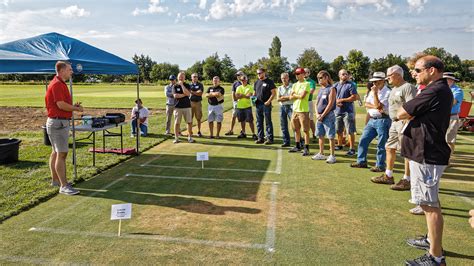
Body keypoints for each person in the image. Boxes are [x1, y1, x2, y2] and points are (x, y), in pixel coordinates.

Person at [398, 56, 452, 266]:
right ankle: (431, 242)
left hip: (428, 153)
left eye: (418, 70)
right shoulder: (436, 89)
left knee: (430, 206)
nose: (414, 73)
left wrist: (409, 114)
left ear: (431, 70)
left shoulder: (435, 89)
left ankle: (436, 258)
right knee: (428, 203)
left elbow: (403, 112)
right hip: (424, 152)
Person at [371, 65, 416, 192]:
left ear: (397, 75)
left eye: (389, 76)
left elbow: (411, 107)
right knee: (389, 147)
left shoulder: (408, 87)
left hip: (404, 122)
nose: (387, 78)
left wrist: (405, 121)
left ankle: (407, 179)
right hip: (394, 122)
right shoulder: (394, 89)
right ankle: (388, 175)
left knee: (406, 152)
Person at [45, 61, 83, 195]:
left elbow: (62, 104)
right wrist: (76, 109)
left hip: (57, 122)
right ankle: (63, 186)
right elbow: (61, 105)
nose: (72, 71)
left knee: (56, 152)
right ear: (61, 71)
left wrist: (73, 106)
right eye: (69, 69)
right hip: (58, 123)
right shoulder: (57, 84)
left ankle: (56, 180)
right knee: (62, 154)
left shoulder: (59, 83)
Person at [350, 72, 391, 172]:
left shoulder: (388, 92)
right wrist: (375, 105)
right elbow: (367, 104)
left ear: (383, 81)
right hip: (372, 119)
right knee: (363, 140)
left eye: (376, 82)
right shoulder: (373, 91)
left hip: (383, 120)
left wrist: (376, 95)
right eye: (373, 82)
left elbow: (379, 106)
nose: (374, 84)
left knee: (381, 144)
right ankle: (361, 161)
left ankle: (380, 165)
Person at [312, 70, 337, 164]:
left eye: (321, 78)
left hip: (328, 115)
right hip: (319, 116)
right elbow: (316, 103)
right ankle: (321, 153)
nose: (319, 79)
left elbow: (330, 104)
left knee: (330, 136)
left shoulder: (331, 89)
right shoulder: (320, 89)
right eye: (318, 78)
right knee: (320, 135)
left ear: (326, 78)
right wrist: (317, 114)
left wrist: (323, 115)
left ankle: (332, 155)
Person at [334, 69, 358, 156]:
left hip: (348, 112)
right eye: (343, 74)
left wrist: (342, 100)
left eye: (346, 74)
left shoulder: (351, 85)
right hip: (337, 111)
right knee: (338, 130)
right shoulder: (335, 85)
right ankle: (340, 145)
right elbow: (332, 96)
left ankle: (352, 148)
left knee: (350, 131)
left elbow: (354, 97)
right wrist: (336, 102)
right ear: (339, 75)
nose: (345, 75)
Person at [288, 67, 311, 156]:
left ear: (303, 74)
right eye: (296, 74)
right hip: (295, 109)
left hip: (303, 110)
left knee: (305, 130)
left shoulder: (307, 84)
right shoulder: (294, 85)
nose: (297, 76)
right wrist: (296, 95)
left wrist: (295, 95)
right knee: (296, 129)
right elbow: (290, 97)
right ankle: (297, 146)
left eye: (298, 74)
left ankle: (306, 148)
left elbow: (302, 96)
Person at [443, 72, 464, 164]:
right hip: (441, 117)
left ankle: (447, 159)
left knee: (449, 140)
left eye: (446, 79)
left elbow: (453, 102)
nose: (444, 81)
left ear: (451, 80)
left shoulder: (457, 90)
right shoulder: (441, 89)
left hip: (451, 117)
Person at [254, 68, 276, 144]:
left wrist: (269, 101)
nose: (258, 74)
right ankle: (260, 138)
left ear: (264, 73)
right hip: (258, 105)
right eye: (257, 73)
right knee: (259, 122)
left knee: (268, 122)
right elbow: (254, 93)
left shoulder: (270, 82)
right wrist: (253, 99)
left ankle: (270, 138)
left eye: (260, 73)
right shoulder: (256, 82)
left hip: (266, 105)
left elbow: (273, 93)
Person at [173, 71, 194, 144]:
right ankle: (176, 138)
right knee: (177, 123)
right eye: (179, 77)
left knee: (189, 122)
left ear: (184, 78)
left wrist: (182, 85)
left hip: (187, 106)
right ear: (177, 77)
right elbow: (175, 96)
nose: (181, 78)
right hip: (177, 107)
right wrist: (184, 94)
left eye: (182, 77)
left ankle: (190, 137)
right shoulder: (175, 86)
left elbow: (188, 94)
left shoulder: (187, 85)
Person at [235, 75, 257, 140]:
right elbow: (237, 96)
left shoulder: (250, 87)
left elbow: (249, 96)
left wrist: (241, 95)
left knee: (250, 121)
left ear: (247, 80)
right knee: (242, 121)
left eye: (244, 80)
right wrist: (244, 95)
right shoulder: (238, 87)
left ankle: (253, 134)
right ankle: (243, 133)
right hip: (240, 106)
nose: (243, 81)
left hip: (247, 106)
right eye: (242, 80)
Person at [225, 71, 244, 136]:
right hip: (236, 102)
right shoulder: (235, 83)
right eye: (237, 75)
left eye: (239, 75)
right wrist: (235, 101)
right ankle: (231, 130)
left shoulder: (245, 82)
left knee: (242, 117)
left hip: (244, 102)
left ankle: (242, 131)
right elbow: (233, 93)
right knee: (234, 116)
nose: (238, 76)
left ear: (242, 75)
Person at [277, 72, 293, 147]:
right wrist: (287, 97)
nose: (284, 79)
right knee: (283, 125)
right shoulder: (279, 88)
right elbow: (278, 99)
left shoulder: (292, 86)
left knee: (294, 125)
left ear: (288, 78)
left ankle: (300, 141)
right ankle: (286, 141)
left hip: (291, 107)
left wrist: (283, 98)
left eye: (285, 78)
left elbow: (292, 97)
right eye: (282, 78)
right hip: (282, 107)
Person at [304, 68, 317, 142]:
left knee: (310, 119)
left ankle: (314, 133)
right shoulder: (300, 81)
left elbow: (311, 91)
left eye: (307, 72)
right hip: (301, 102)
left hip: (308, 102)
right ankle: (304, 135)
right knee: (302, 119)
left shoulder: (311, 82)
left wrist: (302, 95)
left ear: (309, 73)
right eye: (304, 72)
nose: (305, 73)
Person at [189, 73, 204, 137]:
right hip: (191, 102)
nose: (195, 78)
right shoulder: (189, 85)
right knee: (190, 118)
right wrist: (196, 92)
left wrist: (192, 92)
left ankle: (199, 131)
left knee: (198, 118)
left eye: (196, 77)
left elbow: (200, 93)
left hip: (198, 102)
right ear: (191, 78)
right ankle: (190, 131)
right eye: (194, 77)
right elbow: (188, 92)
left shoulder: (200, 84)